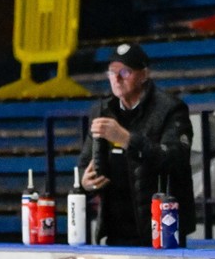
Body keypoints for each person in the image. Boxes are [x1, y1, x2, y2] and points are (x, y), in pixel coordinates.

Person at [76, 43, 196, 247]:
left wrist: (127, 139)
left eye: (125, 71)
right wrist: (85, 183)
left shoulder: (171, 109)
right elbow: (84, 165)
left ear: (144, 75)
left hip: (162, 229)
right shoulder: (101, 111)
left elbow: (176, 158)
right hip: (115, 231)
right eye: (112, 72)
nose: (117, 78)